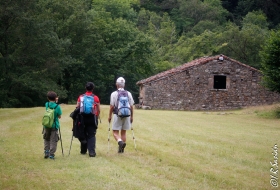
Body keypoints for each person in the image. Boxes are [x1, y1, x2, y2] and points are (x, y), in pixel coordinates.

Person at [108, 77, 134, 153]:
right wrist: (132, 116)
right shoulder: (128, 93)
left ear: (117, 84)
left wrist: (109, 116)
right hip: (127, 115)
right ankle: (121, 150)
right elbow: (131, 106)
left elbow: (112, 106)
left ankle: (120, 142)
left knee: (115, 132)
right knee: (123, 132)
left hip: (117, 114)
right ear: (124, 85)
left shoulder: (114, 94)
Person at [76, 82, 100, 157]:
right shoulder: (95, 97)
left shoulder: (81, 97)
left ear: (85, 88)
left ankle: (83, 150)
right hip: (92, 118)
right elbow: (98, 109)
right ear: (93, 89)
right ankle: (92, 152)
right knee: (91, 134)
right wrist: (97, 116)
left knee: (83, 133)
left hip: (82, 118)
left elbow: (77, 107)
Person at [43, 91, 62, 159]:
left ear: (48, 98)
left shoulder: (47, 104)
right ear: (55, 98)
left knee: (46, 138)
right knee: (53, 140)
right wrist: (56, 102)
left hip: (47, 125)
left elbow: (50, 106)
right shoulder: (57, 106)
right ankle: (51, 154)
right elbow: (59, 116)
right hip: (54, 125)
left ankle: (46, 151)